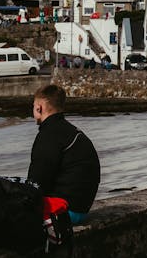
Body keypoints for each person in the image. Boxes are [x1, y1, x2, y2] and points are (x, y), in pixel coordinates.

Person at [27, 84, 100, 225]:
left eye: (34, 106)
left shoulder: (48, 135)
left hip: (63, 212)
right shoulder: (71, 131)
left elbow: (37, 182)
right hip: (80, 209)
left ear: (39, 108)